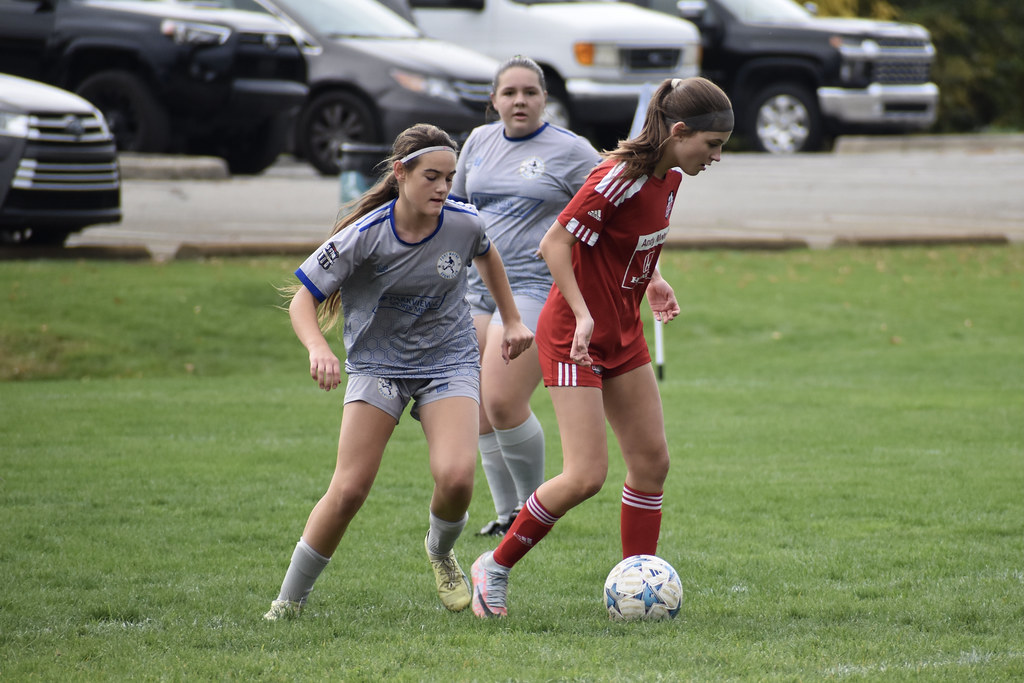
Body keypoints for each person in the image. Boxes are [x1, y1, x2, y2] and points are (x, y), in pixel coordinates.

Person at [469, 76, 734, 618]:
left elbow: (625, 243)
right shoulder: (619, 177)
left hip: (623, 332)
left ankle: (640, 587)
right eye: (713, 145)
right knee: (586, 474)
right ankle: (492, 568)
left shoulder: (670, 177)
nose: (716, 157)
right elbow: (555, 243)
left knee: (652, 463)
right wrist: (585, 314)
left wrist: (652, 278)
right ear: (680, 132)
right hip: (575, 336)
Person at [263, 123, 534, 621]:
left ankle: (440, 552)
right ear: (400, 172)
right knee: (348, 490)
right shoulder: (363, 236)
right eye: (431, 176)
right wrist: (316, 347)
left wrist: (512, 318)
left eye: (449, 178)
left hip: (447, 360)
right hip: (378, 364)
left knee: (455, 478)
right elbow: (303, 300)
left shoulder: (462, 223)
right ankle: (288, 601)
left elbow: (487, 255)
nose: (442, 188)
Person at [451, 55, 602, 538]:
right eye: (509, 92)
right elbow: (453, 209)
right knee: (476, 406)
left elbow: (617, 207)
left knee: (501, 399)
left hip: (537, 288)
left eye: (530, 92)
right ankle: (505, 515)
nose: (520, 101)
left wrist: (652, 272)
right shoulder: (477, 141)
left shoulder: (571, 150)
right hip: (475, 289)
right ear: (493, 99)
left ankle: (537, 511)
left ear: (545, 99)